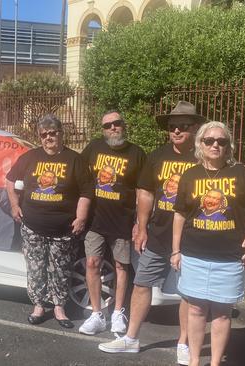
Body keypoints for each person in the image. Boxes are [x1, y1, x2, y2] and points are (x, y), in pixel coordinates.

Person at [97, 100, 204, 364]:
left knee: (187, 293)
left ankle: (184, 343)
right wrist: (141, 227)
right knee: (142, 283)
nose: (176, 131)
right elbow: (145, 193)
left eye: (183, 126)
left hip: (192, 237)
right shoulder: (157, 156)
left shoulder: (204, 158)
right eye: (172, 127)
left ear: (195, 129)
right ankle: (131, 339)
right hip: (158, 234)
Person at [171, 121, 245, 366]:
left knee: (222, 314)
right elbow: (180, 214)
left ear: (228, 146)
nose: (215, 145)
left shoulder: (240, 173)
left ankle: (214, 363)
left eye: (221, 141)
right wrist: (176, 250)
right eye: (209, 140)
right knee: (196, 310)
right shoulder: (190, 175)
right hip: (194, 255)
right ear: (200, 144)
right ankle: (193, 361)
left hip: (230, 257)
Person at [5, 114, 92, 329]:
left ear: (61, 134)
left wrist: (81, 217)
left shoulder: (75, 159)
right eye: (44, 135)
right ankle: (38, 307)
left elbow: (86, 191)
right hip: (33, 226)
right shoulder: (29, 157)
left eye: (53, 133)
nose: (48, 138)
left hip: (63, 229)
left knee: (60, 269)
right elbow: (9, 180)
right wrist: (15, 205)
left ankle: (59, 309)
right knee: (35, 268)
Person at [79, 110, 146, 335]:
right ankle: (97, 314)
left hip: (123, 221)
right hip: (95, 220)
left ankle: (118, 312)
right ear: (103, 130)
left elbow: (142, 191)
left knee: (121, 266)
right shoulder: (94, 147)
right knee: (92, 264)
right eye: (107, 125)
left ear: (123, 125)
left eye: (116, 123)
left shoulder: (137, 153)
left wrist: (139, 222)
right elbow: (79, 173)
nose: (113, 128)